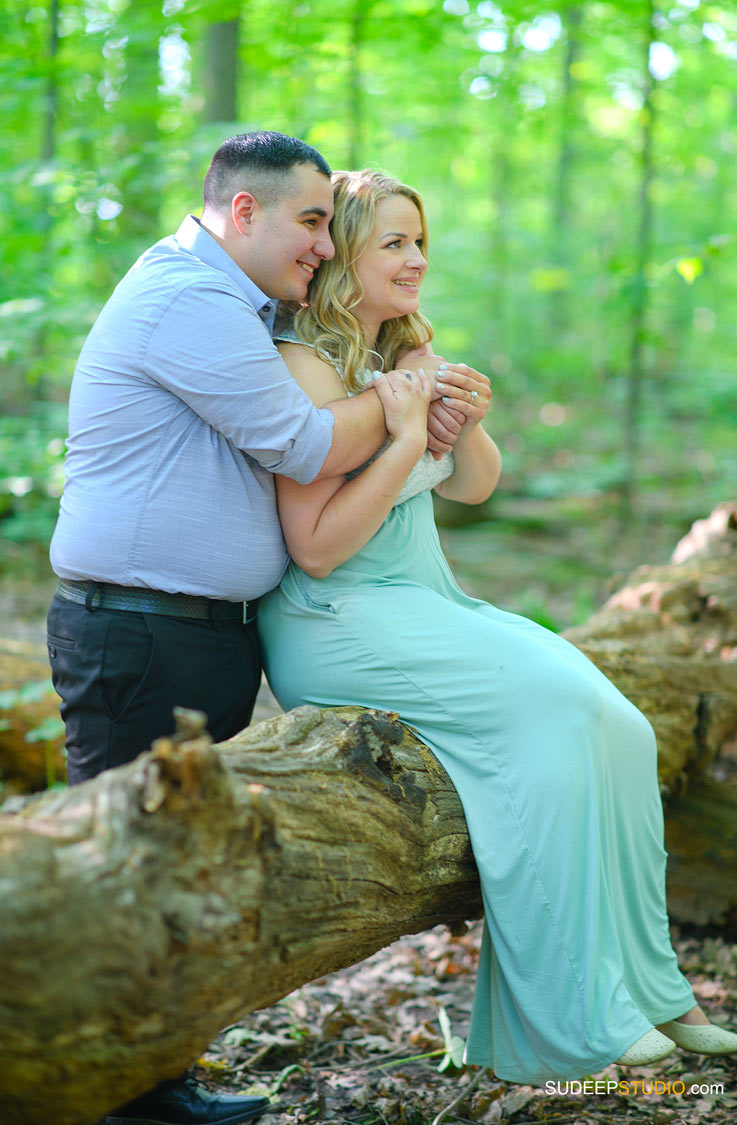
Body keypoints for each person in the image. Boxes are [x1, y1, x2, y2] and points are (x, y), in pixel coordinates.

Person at [257, 169, 737, 1084]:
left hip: (425, 601)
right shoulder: (305, 365)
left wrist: (465, 422)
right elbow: (315, 548)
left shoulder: (406, 347)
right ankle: (577, 1009)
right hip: (338, 616)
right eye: (394, 243)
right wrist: (407, 435)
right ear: (344, 257)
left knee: (622, 726)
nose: (417, 258)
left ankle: (656, 987)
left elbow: (477, 484)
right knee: (558, 717)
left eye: (420, 240)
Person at [46, 134, 456, 1125]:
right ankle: (101, 1091)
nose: (323, 243)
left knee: (176, 860)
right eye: (310, 221)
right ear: (242, 212)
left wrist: (403, 377)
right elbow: (303, 442)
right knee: (126, 866)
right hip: (137, 630)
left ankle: (152, 1079)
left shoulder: (241, 303)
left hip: (201, 634)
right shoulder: (187, 298)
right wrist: (399, 398)